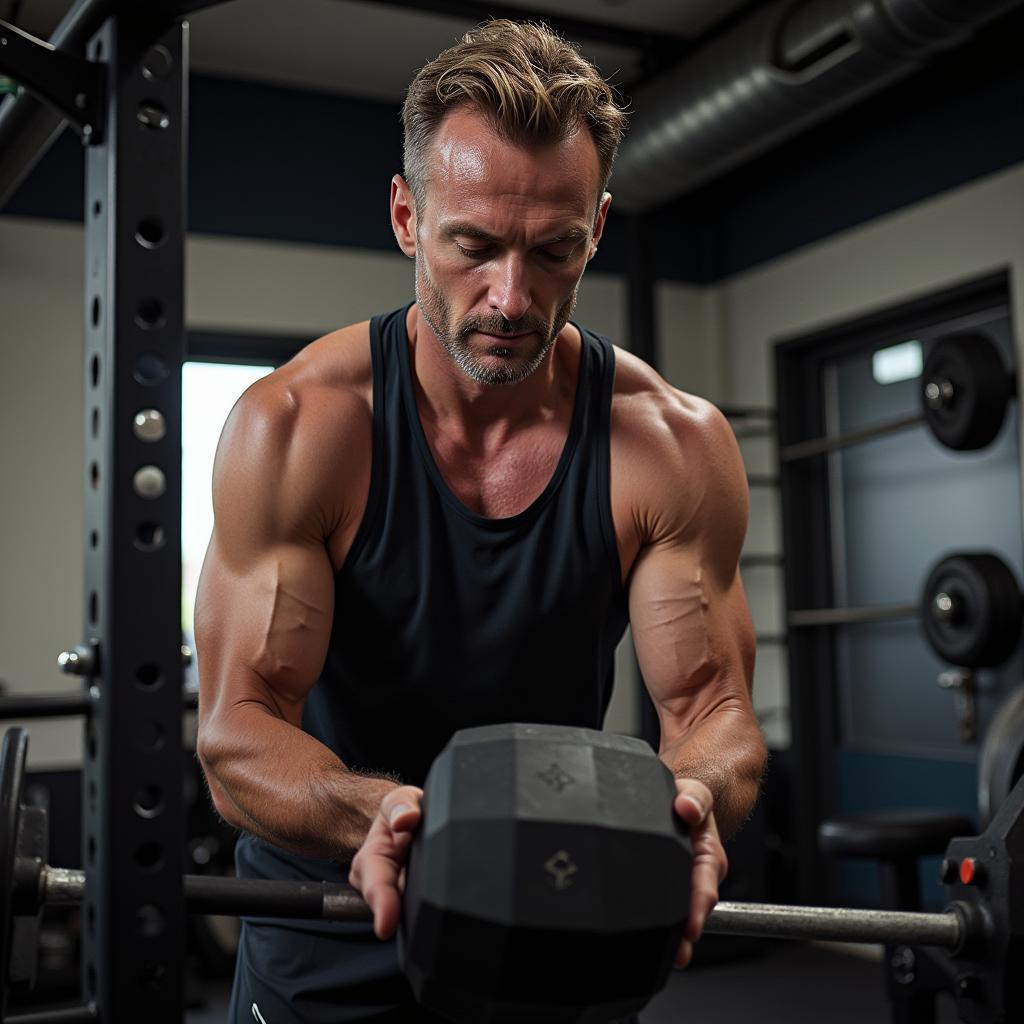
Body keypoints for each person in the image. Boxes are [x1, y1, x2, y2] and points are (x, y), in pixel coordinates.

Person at [195, 18, 766, 1024]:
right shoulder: (298, 427)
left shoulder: (668, 444)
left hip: (559, 912)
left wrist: (685, 804)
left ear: (596, 226)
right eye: (474, 244)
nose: (512, 295)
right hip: (332, 915)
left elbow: (716, 716)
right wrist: (395, 814)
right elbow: (238, 735)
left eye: (553, 250)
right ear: (407, 216)